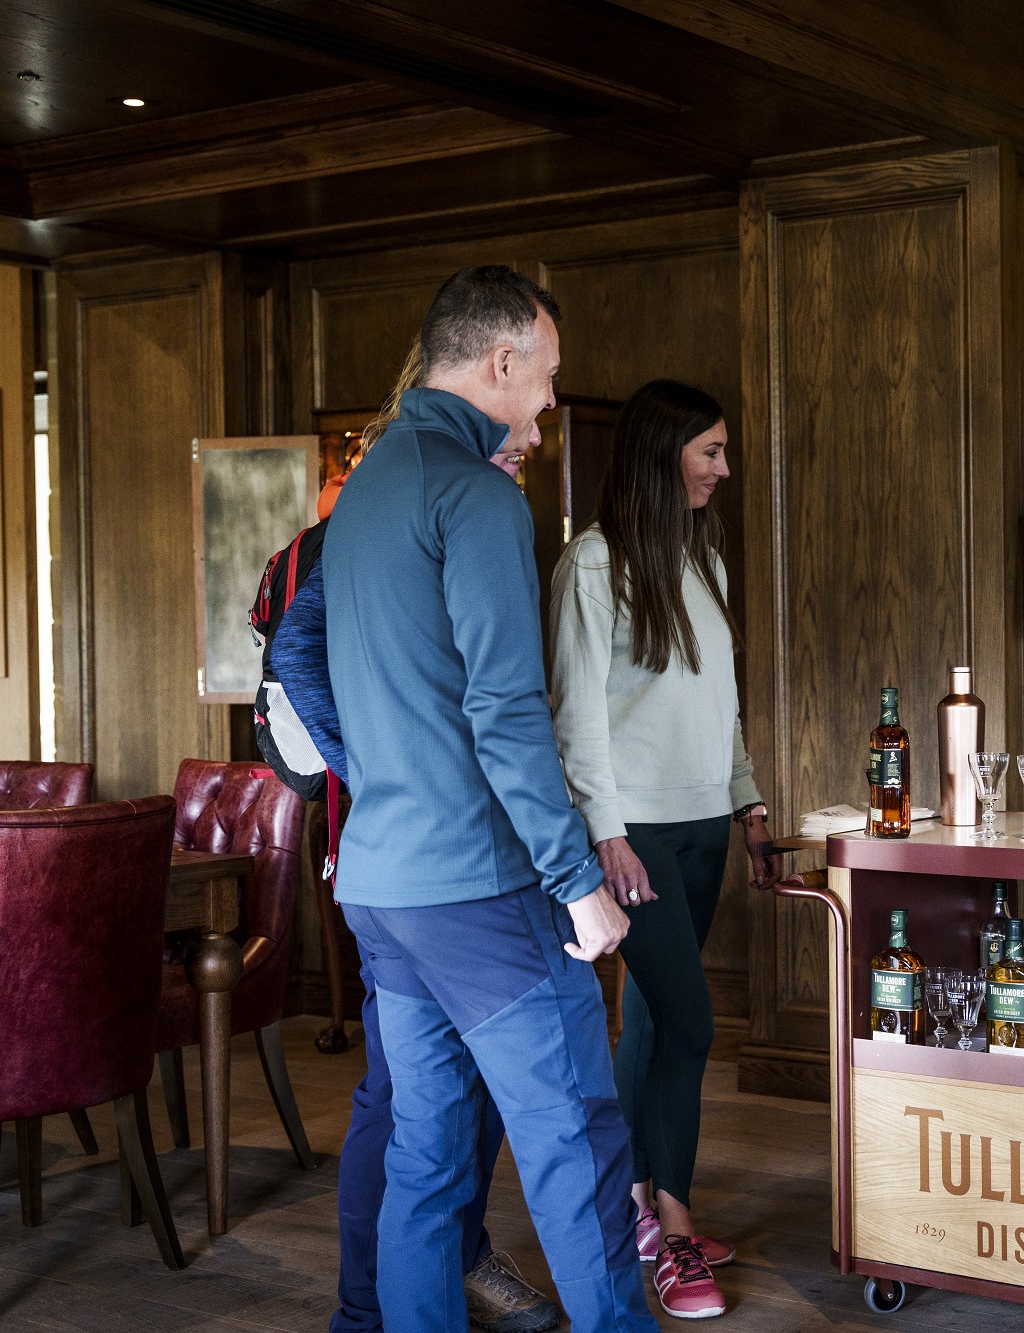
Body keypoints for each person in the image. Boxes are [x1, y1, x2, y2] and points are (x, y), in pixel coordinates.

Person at [323, 266, 656, 1333]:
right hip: (476, 887)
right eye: (548, 376)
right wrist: (576, 882)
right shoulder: (473, 496)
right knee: (574, 1138)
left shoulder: (365, 485)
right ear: (499, 363)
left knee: (424, 1151)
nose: (551, 400)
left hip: (380, 885)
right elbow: (506, 710)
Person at [272, 343, 568, 1333]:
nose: (530, 431)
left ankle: (430, 1281)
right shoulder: (386, 511)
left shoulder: (427, 506)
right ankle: (375, 1305)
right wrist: (382, 769)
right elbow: (294, 656)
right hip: (420, 860)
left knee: (439, 1111)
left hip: (431, 856)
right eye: (522, 408)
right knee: (411, 1105)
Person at [547, 380, 781, 1321]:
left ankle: (635, 1205)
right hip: (632, 833)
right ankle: (673, 1231)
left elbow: (718, 704)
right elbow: (575, 721)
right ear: (662, 452)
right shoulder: (592, 567)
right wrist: (606, 835)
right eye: (710, 452)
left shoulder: (706, 562)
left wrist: (749, 802)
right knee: (690, 1025)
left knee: (651, 1019)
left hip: (699, 826)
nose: (723, 470)